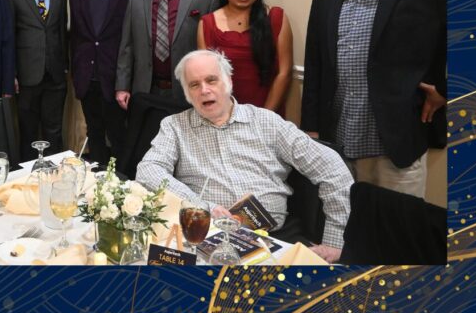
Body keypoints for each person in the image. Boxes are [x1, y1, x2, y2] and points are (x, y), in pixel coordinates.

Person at [136, 50, 352, 263]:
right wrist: (201, 207)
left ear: (228, 81)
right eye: (194, 85)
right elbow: (148, 170)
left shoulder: (267, 122)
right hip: (207, 237)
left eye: (212, 80)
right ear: (187, 93)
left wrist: (335, 242)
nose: (204, 90)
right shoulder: (174, 127)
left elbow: (331, 168)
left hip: (274, 238)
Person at [302, 0, 446, 198]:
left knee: (397, 234)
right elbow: (315, 67)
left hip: (396, 145)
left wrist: (446, 88)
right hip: (339, 144)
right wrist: (312, 132)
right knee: (346, 230)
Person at [69, 0, 136, 166]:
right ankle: (97, 179)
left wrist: (126, 81)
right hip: (87, 76)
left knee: (118, 134)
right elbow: (76, 35)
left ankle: (121, 183)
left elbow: (132, 37)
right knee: (94, 131)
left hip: (116, 77)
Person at [197, 0, 292, 116]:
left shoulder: (276, 17)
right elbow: (206, 77)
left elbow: (284, 73)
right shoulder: (207, 23)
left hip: (267, 114)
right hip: (222, 114)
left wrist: (263, 118)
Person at [4, 0, 68, 159]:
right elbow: (8, 36)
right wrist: (10, 73)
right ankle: (28, 180)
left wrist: (65, 66)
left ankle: (55, 178)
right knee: (28, 132)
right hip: (26, 77)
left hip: (55, 75)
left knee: (54, 130)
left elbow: (61, 30)